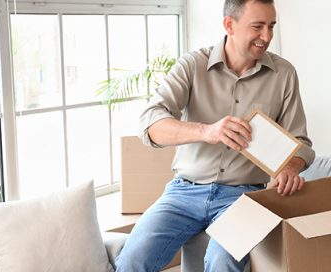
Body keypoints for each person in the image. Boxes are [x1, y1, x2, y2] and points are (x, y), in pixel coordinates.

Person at [114, 0, 315, 271]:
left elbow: (301, 142)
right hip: (183, 192)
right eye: (257, 27)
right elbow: (150, 124)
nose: (266, 37)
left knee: (221, 263)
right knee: (131, 260)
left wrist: (291, 166)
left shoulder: (284, 74)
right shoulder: (192, 65)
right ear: (229, 24)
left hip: (246, 196)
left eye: (271, 26)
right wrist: (207, 131)